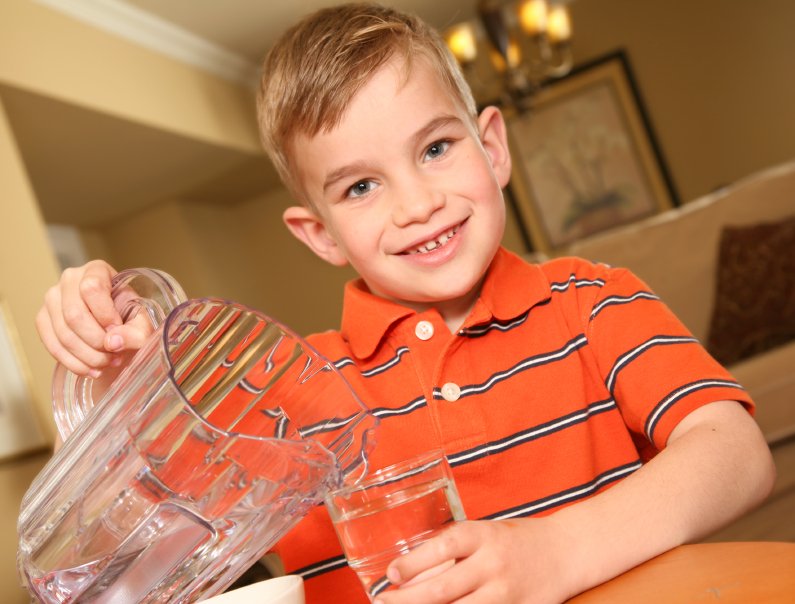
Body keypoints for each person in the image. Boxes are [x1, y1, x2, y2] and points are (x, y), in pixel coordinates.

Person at [36, 3, 776, 603]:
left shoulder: (592, 299)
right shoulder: (289, 396)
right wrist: (119, 377)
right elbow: (151, 536)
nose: (417, 204)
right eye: (360, 186)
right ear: (319, 234)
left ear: (491, 148)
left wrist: (558, 553)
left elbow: (735, 454)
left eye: (433, 149)